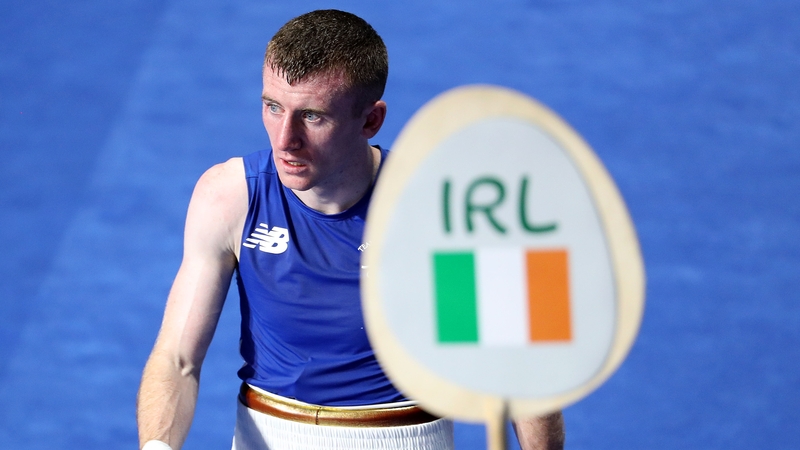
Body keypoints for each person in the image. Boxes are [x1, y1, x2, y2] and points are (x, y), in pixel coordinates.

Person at [136, 9, 564, 450]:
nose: (285, 140)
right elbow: (178, 358)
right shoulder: (230, 197)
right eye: (272, 107)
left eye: (313, 116)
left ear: (371, 121)